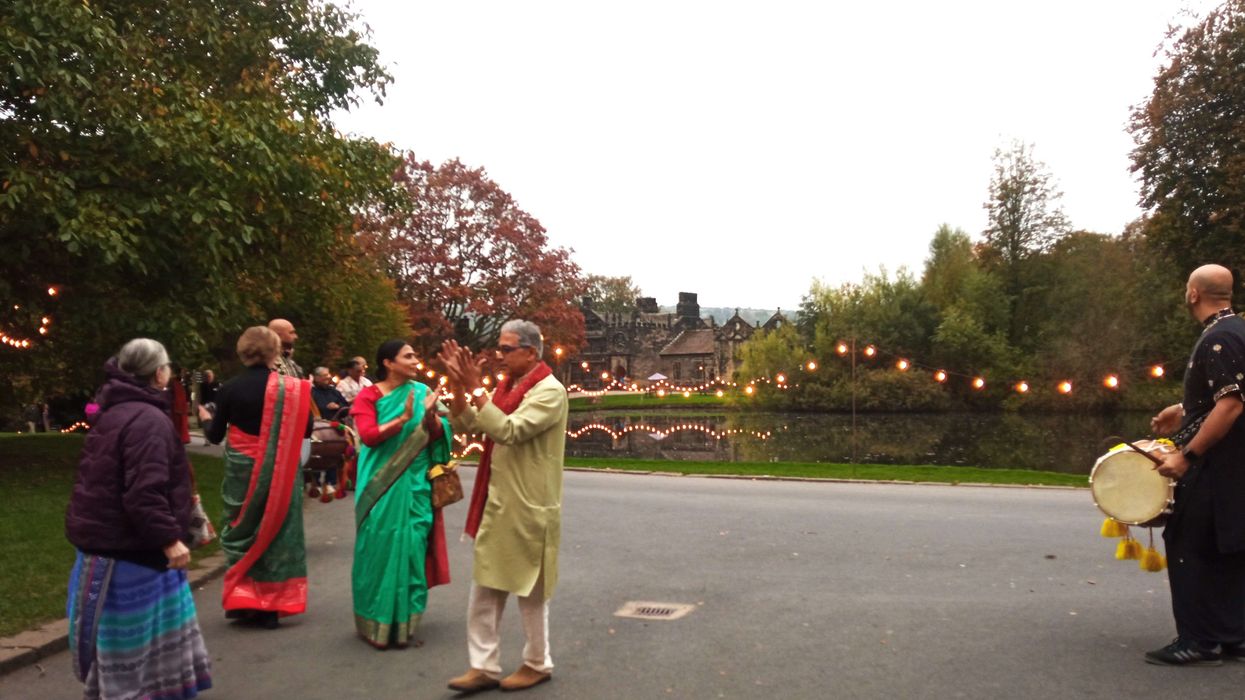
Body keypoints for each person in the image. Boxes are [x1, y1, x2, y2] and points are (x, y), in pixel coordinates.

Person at [64, 338, 212, 699]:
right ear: (159, 373)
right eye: (168, 367)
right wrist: (169, 539)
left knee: (121, 656)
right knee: (138, 659)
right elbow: (144, 492)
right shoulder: (147, 419)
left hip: (106, 548)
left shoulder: (112, 411)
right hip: (133, 556)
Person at [440, 320, 568, 693]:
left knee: (530, 590)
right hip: (497, 502)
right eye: (500, 348)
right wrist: (462, 389)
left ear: (531, 352)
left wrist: (476, 388)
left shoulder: (550, 391)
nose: (500, 355)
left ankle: (537, 663)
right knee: (485, 586)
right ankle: (483, 665)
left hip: (530, 505)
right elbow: (467, 427)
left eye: (507, 349)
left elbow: (509, 431)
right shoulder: (505, 388)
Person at [1147, 263, 1245, 666]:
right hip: (1235, 465)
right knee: (1229, 546)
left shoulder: (1218, 338)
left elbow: (1232, 403)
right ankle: (1234, 635)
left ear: (1193, 294)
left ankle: (1197, 640)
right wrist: (1182, 409)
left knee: (1186, 543)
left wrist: (1186, 456)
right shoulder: (1237, 329)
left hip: (1214, 465)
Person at [199, 326, 313, 629]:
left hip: (242, 470)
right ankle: (272, 605)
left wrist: (205, 418)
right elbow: (305, 430)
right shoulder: (293, 389)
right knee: (278, 531)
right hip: (282, 470)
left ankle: (243, 600)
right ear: (275, 352)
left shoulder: (230, 389)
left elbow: (216, 434)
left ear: (243, 351)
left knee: (241, 527)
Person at [347, 340, 453, 648]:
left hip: (417, 486)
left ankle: (404, 624)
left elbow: (442, 434)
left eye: (415, 355)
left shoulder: (422, 392)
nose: (415, 360)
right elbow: (368, 436)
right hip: (379, 488)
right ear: (389, 363)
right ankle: (374, 623)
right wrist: (404, 420)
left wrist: (431, 419)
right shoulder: (369, 396)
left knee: (412, 550)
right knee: (377, 552)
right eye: (408, 356)